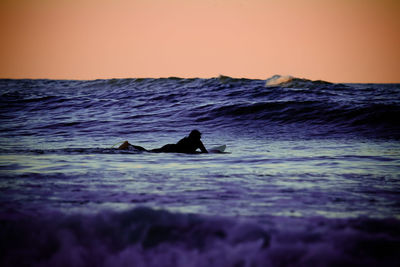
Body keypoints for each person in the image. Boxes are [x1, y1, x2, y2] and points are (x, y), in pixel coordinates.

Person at [118, 129, 208, 154]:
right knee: (148, 152)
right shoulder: (197, 142)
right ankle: (128, 145)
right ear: (197, 137)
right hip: (170, 149)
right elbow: (205, 152)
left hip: (169, 146)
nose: (200, 138)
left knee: (149, 151)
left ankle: (129, 145)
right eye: (199, 137)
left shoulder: (185, 139)